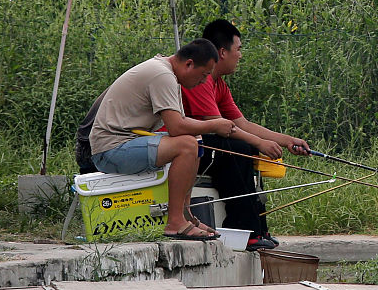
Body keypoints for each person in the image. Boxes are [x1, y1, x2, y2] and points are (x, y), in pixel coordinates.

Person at [181, 19, 310, 252]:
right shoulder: (202, 80)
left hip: (203, 142)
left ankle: (258, 228)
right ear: (222, 52)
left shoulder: (220, 85)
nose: (240, 55)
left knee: (248, 148)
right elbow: (215, 125)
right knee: (238, 149)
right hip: (186, 145)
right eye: (238, 49)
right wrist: (260, 142)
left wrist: (287, 140)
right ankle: (243, 229)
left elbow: (242, 124)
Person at [88, 39, 237, 240]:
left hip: (127, 143)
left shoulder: (169, 75)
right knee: (186, 145)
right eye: (203, 75)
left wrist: (210, 126)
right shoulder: (162, 75)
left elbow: (184, 126)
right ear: (189, 64)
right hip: (111, 149)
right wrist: (215, 124)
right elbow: (176, 127)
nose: (203, 82)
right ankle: (174, 222)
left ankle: (186, 215)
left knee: (194, 139)